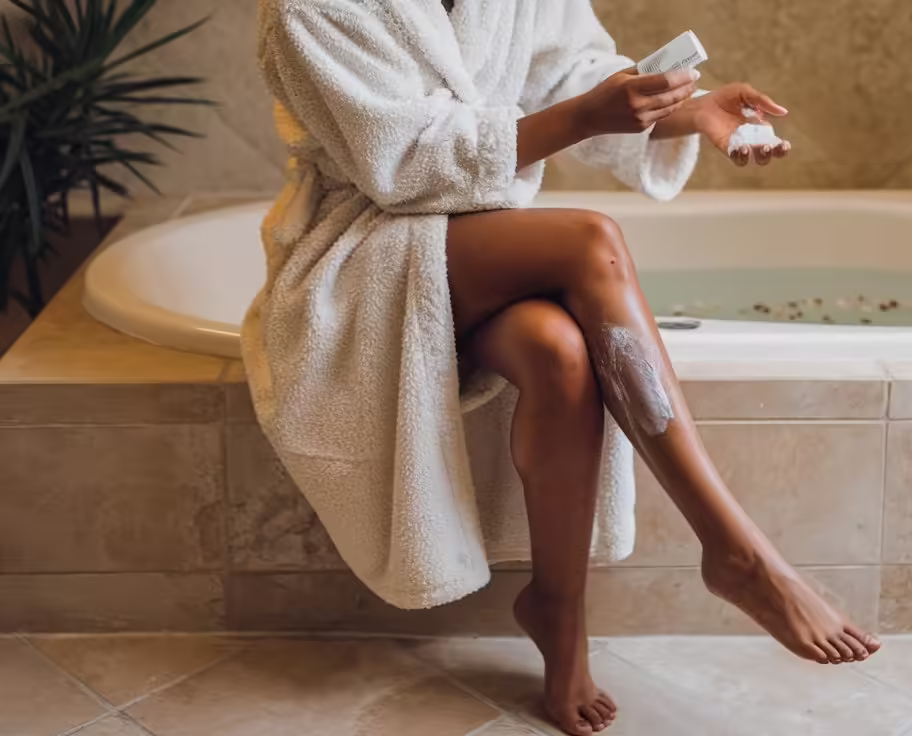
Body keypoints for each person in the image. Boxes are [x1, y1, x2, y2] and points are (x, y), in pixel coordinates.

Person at [250, 1, 879, 733]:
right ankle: (736, 549)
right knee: (591, 240)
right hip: (365, 253)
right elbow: (405, 163)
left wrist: (694, 109)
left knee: (561, 353)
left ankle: (558, 607)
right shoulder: (310, 8)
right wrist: (585, 116)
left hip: (476, 239)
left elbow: (573, 75)